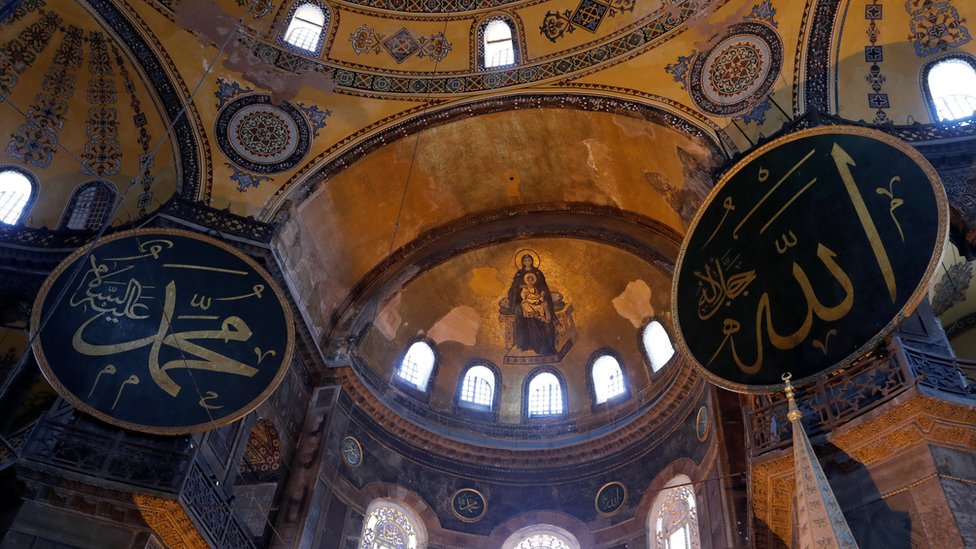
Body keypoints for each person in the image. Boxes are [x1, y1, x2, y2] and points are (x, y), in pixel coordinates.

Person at [506, 254, 558, 355]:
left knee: (542, 312)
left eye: (529, 259)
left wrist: (542, 295)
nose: (527, 261)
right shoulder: (519, 274)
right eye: (525, 259)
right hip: (524, 302)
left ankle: (544, 345)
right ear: (522, 262)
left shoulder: (538, 273)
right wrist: (521, 287)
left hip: (537, 300)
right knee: (519, 310)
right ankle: (525, 342)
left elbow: (544, 287)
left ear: (532, 261)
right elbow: (513, 289)